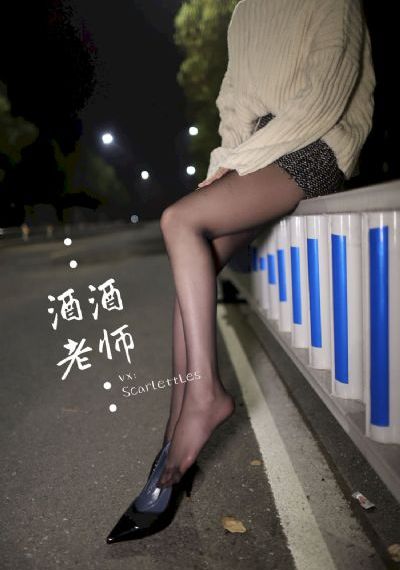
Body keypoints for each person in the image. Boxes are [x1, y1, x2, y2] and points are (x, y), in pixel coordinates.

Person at [106, 0, 375, 543]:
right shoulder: (245, 11)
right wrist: (220, 171)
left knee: (179, 220)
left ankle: (204, 400)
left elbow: (323, 101)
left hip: (318, 146)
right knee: (195, 262)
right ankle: (174, 440)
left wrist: (242, 164)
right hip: (260, 157)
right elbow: (234, 111)